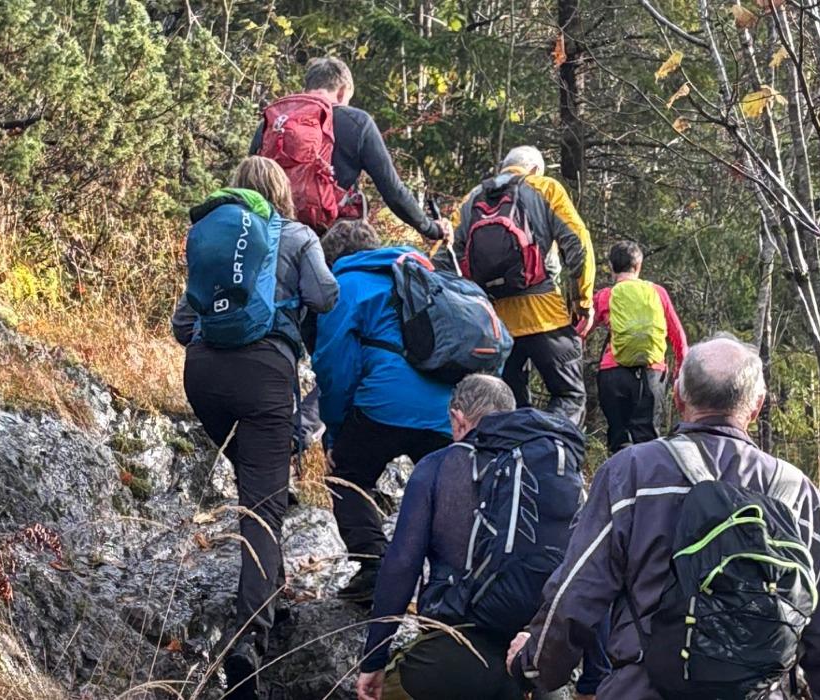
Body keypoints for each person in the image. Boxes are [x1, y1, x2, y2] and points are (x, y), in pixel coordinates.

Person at [508, 335, 820, 700]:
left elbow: (578, 591)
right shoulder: (797, 492)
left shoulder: (631, 473)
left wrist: (534, 665)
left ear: (678, 398)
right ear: (757, 406)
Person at [173, 156, 339, 698]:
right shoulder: (294, 234)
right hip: (264, 374)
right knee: (263, 509)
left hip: (202, 373)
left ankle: (272, 591)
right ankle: (248, 642)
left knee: (257, 488)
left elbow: (182, 325)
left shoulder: (215, 240)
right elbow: (324, 295)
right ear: (282, 192)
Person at [354, 375, 607, 700]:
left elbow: (402, 564)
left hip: (452, 659)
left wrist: (373, 658)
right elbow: (594, 579)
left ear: (458, 418)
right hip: (534, 668)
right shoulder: (559, 478)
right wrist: (593, 680)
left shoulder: (439, 466)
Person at [312, 220, 455, 604]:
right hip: (446, 408)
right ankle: (451, 579)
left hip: (385, 404)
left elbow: (333, 366)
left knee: (349, 476)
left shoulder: (347, 285)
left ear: (333, 259)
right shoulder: (422, 274)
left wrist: (335, 432)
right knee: (447, 493)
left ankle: (375, 564)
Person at [440, 146, 594, 425]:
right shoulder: (545, 188)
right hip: (545, 315)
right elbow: (579, 244)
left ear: (504, 168)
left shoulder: (473, 198)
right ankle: (551, 455)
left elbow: (444, 257)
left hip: (494, 326)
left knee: (506, 405)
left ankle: (512, 460)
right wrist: (582, 302)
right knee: (569, 395)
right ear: (534, 170)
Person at [251, 57, 451, 239]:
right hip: (330, 238)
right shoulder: (357, 121)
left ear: (308, 88)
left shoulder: (275, 121)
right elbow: (392, 190)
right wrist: (430, 228)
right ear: (342, 91)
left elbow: (250, 179)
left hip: (273, 232)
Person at [576, 241, 687, 452]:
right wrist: (680, 369)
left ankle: (620, 483)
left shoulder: (605, 296)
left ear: (611, 267)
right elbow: (678, 335)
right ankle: (648, 482)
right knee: (647, 438)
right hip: (651, 373)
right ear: (638, 266)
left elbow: (581, 331)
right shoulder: (657, 292)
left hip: (613, 373)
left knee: (619, 437)